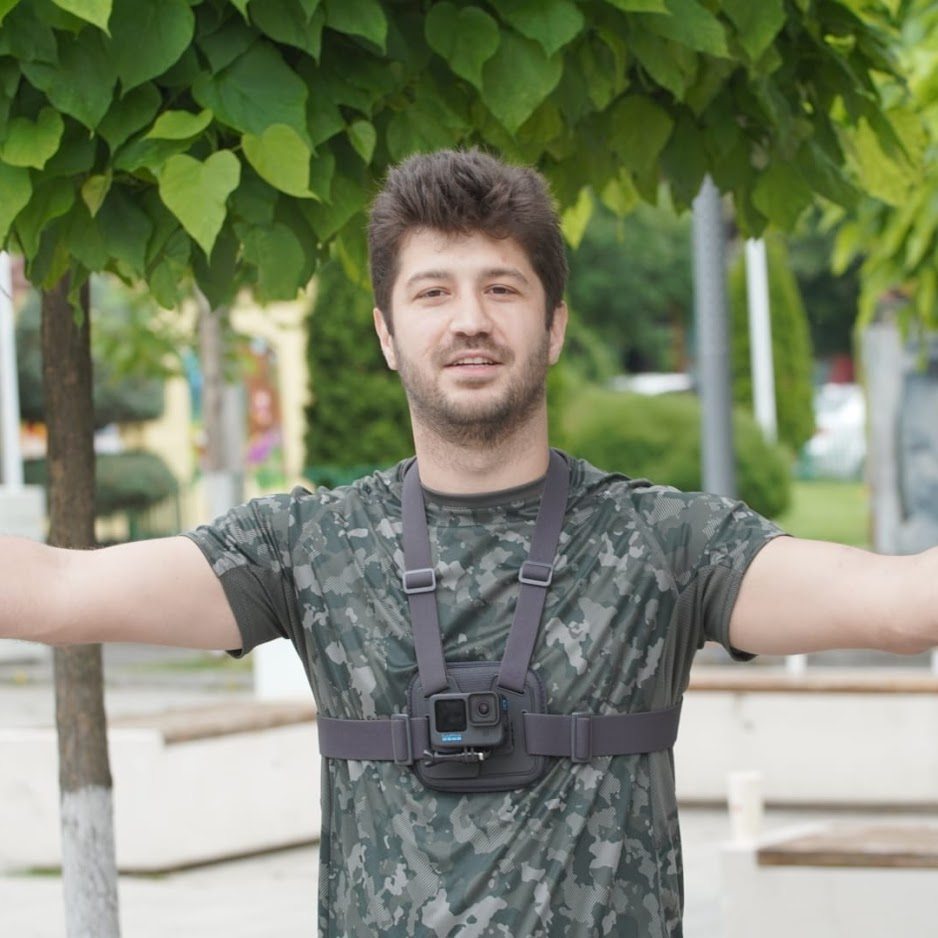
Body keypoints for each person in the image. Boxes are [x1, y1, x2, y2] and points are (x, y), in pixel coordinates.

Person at [0, 148, 933, 938]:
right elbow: (51, 592)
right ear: (386, 333)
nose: (470, 319)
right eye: (433, 291)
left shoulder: (666, 544)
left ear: (554, 325)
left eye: (502, 288)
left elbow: (900, 608)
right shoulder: (306, 547)